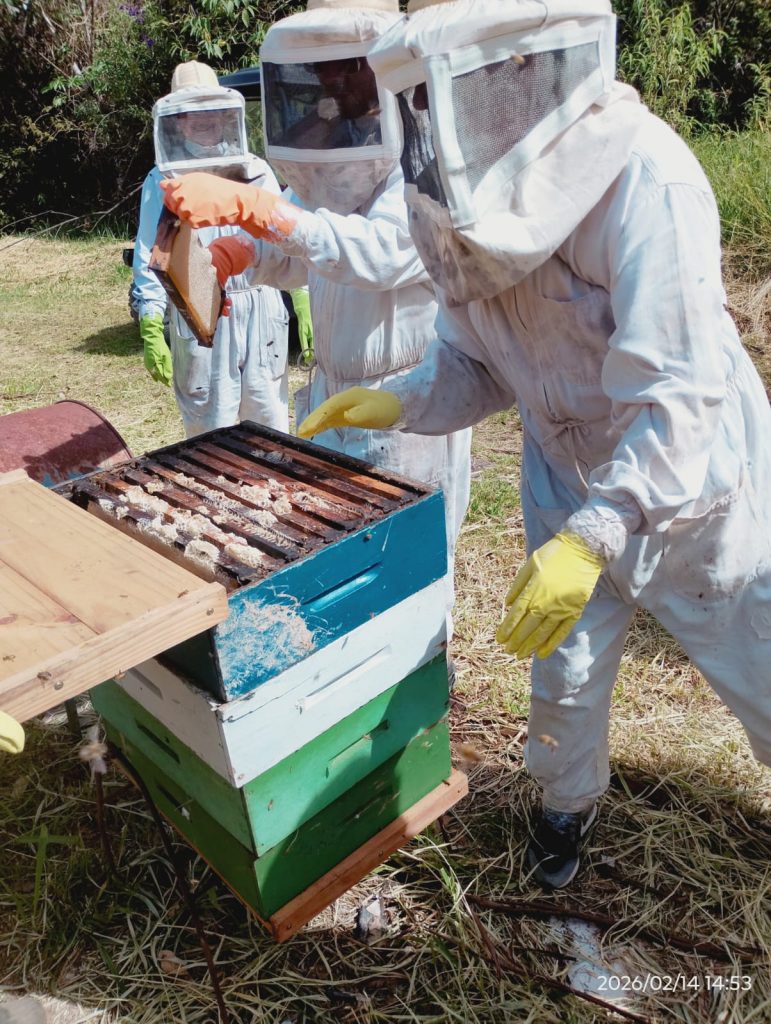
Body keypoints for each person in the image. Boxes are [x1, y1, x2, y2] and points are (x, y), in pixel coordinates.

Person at [286, 0, 771, 888]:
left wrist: (601, 531)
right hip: (563, 473)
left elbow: (678, 393)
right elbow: (477, 366)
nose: (424, 123)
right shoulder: (460, 207)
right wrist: (391, 402)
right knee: (565, 670)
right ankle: (563, 813)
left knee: (759, 656)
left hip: (687, 490)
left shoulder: (643, 183)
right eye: (414, 102)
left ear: (516, 70)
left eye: (436, 94)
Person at [159, 0, 472, 632]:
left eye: (342, 67)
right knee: (337, 562)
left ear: (380, 67)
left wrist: (263, 212)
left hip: (406, 398)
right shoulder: (334, 147)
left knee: (412, 563)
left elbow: (383, 254)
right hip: (333, 388)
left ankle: (422, 676)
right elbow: (309, 252)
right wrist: (248, 255)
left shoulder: (428, 153)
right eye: (320, 69)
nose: (330, 83)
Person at [133, 60, 311, 437]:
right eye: (194, 113)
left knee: (268, 421)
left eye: (212, 110)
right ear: (178, 120)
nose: (206, 120)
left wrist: (302, 296)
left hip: (260, 300)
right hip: (200, 304)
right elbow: (154, 251)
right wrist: (151, 318)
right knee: (209, 426)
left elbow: (283, 232)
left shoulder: (255, 168)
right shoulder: (163, 178)